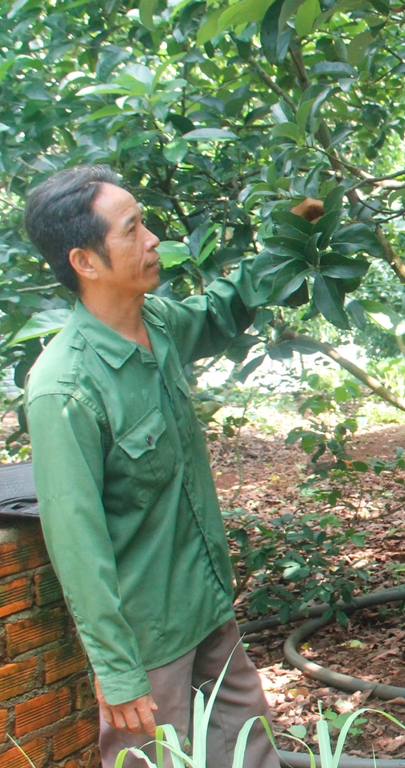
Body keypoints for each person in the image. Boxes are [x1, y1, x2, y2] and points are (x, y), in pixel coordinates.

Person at [23, 165, 323, 768]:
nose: (153, 238)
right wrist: (116, 668)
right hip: (147, 639)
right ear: (85, 262)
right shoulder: (64, 387)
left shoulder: (156, 325)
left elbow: (220, 309)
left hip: (206, 603)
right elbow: (75, 541)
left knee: (250, 753)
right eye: (132, 229)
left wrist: (285, 237)